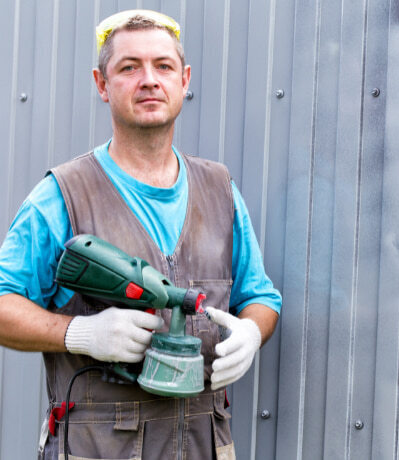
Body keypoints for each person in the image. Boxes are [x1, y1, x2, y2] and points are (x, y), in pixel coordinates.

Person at [0, 9, 281, 460]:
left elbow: (262, 296)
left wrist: (250, 332)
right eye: (129, 67)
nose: (149, 80)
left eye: (163, 66)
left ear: (184, 79)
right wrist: (79, 333)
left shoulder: (220, 189)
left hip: (206, 446)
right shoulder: (62, 195)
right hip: (97, 448)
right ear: (101, 83)